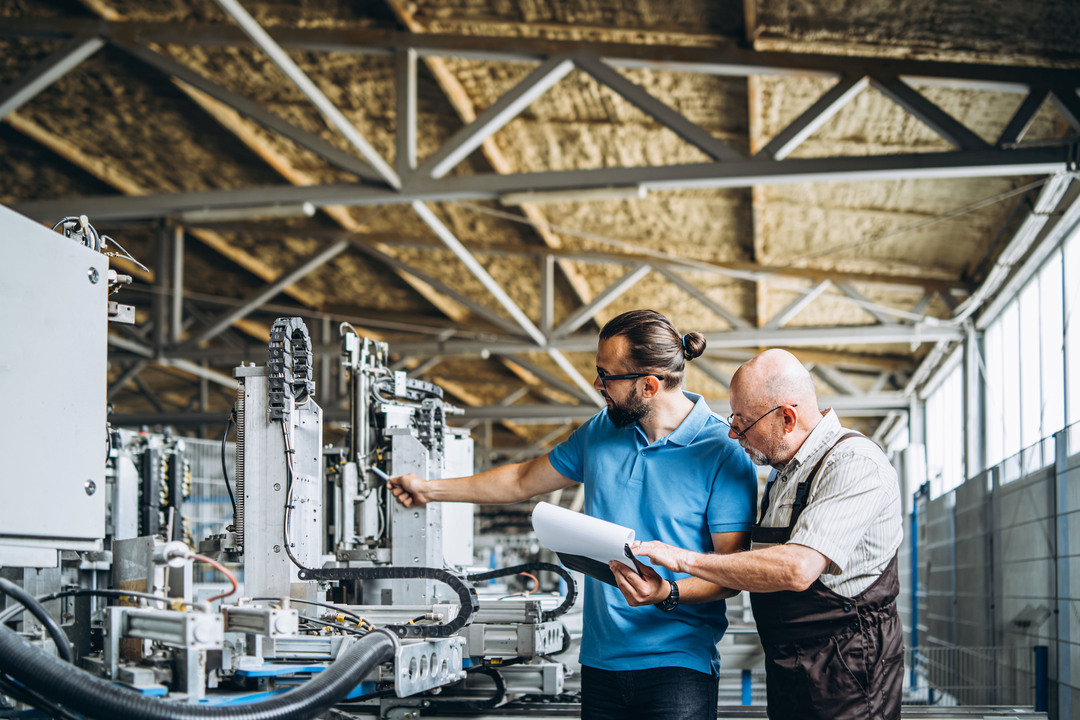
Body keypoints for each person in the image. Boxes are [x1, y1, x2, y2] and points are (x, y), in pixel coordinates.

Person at [388, 309, 756, 720]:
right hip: (600, 662)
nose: (597, 384)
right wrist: (429, 491)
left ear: (649, 385)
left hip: (678, 666)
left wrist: (666, 593)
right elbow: (522, 480)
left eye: (607, 375)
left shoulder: (722, 452)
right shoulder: (600, 431)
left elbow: (730, 573)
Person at [611, 348, 903, 720]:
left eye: (743, 423)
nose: (733, 433)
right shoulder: (785, 474)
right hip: (793, 672)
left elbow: (797, 568)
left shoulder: (854, 464)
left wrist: (683, 559)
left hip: (849, 677)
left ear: (786, 417)